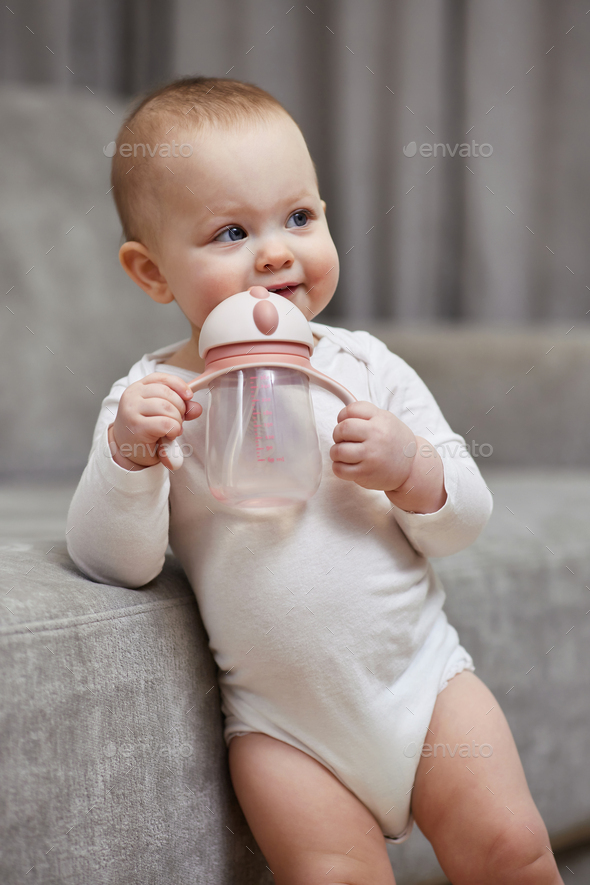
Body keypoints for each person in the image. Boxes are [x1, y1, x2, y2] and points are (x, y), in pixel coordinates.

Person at [67, 77, 563, 885]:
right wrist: (128, 458)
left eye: (300, 216)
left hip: (424, 687)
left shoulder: (365, 366)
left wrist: (411, 469)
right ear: (152, 273)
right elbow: (112, 560)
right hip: (282, 729)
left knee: (509, 850)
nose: (276, 251)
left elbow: (465, 515)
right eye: (231, 231)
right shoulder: (150, 400)